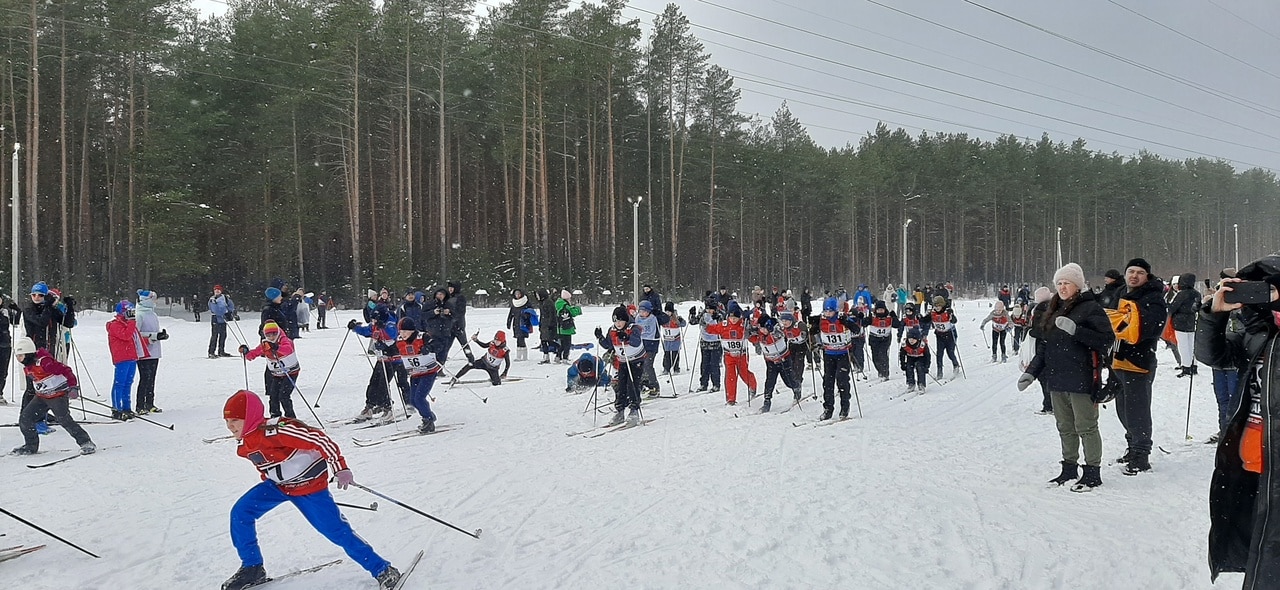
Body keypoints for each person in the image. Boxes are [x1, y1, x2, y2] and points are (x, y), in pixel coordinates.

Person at [218, 390, 401, 590]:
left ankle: (382, 569)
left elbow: (320, 440)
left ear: (250, 416)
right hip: (279, 487)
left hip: (309, 489)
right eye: (227, 421)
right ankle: (252, 568)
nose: (230, 426)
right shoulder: (245, 442)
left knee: (336, 531)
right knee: (241, 512)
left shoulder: (278, 431)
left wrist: (341, 468)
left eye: (235, 419)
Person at [1204, 255, 1280, 586]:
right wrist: (1214, 316)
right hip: (1254, 463)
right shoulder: (1257, 335)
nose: (1259, 295)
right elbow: (1212, 355)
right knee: (1261, 550)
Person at [1017, 263, 1113, 492]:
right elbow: (1044, 347)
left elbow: (1106, 340)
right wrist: (1032, 372)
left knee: (1086, 426)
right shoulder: (1053, 308)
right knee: (1064, 426)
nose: (1062, 287)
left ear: (1077, 286)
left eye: (1066, 283)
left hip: (1082, 376)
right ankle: (1069, 467)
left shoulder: (1091, 308)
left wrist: (1077, 331)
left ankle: (1092, 472)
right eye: (1059, 283)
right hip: (1056, 378)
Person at [1108, 258, 1168, 475]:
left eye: (1140, 272)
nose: (1134, 275)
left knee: (1138, 410)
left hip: (1139, 361)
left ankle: (1142, 454)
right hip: (1118, 359)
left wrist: (1126, 320)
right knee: (1123, 409)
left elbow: (1152, 327)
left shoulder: (1153, 298)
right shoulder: (1120, 293)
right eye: (1131, 271)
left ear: (1147, 276)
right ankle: (1132, 446)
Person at [9, 337, 94, 455]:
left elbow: (66, 370)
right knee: (25, 418)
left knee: (64, 420)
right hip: (41, 397)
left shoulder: (44, 362)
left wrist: (73, 386)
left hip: (57, 396)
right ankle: (31, 446)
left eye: (20, 355)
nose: (18, 359)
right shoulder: (28, 366)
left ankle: (85, 442)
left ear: (28, 354)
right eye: (17, 356)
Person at [1196, 268, 1245, 444]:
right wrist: (1205, 306)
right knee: (1222, 397)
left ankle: (1233, 433)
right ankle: (1224, 430)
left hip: (1234, 354)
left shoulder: (1243, 295)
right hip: (1219, 352)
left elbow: (1244, 323)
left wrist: (1236, 310)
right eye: (1224, 279)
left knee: (1233, 399)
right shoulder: (1218, 292)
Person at [595, 306, 645, 425]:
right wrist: (600, 337)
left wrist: (627, 337)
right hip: (622, 361)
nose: (618, 323)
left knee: (633, 385)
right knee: (621, 386)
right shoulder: (612, 330)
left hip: (636, 360)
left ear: (625, 320)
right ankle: (620, 411)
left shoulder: (633, 328)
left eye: (620, 321)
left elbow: (636, 341)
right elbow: (609, 345)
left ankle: (634, 410)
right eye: (615, 321)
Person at [347, 310, 402, 421]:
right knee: (373, 383)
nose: (372, 321)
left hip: (392, 360)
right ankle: (370, 406)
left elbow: (393, 335)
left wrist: (383, 329)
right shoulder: (374, 326)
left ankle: (387, 408)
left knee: (383, 384)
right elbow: (366, 331)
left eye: (374, 319)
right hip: (381, 359)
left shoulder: (390, 324)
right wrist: (355, 328)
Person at [240, 321, 300, 419]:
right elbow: (253, 354)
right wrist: (246, 352)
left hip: (291, 373)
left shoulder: (284, 340)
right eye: (268, 335)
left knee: (284, 396)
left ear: (278, 332)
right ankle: (275, 416)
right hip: (277, 375)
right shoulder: (265, 344)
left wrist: (276, 347)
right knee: (273, 396)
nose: (272, 337)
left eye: (274, 334)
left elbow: (288, 349)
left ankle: (291, 417)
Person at [814, 297, 860, 420]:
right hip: (829, 354)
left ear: (835, 310)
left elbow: (857, 329)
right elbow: (812, 331)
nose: (827, 313)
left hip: (843, 354)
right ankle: (828, 409)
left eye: (830, 311)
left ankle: (845, 408)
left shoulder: (842, 319)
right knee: (828, 382)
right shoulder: (821, 320)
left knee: (842, 380)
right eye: (825, 311)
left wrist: (847, 322)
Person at [394, 317, 440, 433]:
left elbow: (439, 345)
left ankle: (428, 420)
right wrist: (383, 348)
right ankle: (428, 416)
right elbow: (392, 349)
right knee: (413, 400)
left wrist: (428, 347)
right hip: (415, 373)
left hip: (428, 372)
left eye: (405, 331)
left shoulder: (422, 337)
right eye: (400, 331)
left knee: (419, 398)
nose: (402, 334)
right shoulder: (399, 340)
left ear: (412, 330)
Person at [749, 311, 802, 412]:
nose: (763, 330)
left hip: (784, 359)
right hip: (770, 361)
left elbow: (788, 332)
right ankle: (767, 402)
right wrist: (748, 333)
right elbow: (753, 339)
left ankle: (796, 387)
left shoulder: (777, 330)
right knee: (769, 382)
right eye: (761, 328)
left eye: (765, 328)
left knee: (788, 381)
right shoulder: (760, 333)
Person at [705, 302, 756, 406]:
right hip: (729, 355)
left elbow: (754, 338)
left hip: (741, 355)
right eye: (731, 317)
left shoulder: (743, 325)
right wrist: (704, 324)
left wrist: (750, 333)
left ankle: (752, 385)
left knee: (743, 373)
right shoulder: (724, 325)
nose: (733, 320)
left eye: (735, 318)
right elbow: (712, 329)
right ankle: (731, 399)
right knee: (730, 376)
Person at [106, 300, 145, 421]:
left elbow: (135, 337)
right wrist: (132, 322)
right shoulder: (115, 325)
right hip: (122, 358)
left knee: (128, 383)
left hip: (131, 356)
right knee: (119, 383)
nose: (132, 314)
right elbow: (126, 335)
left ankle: (126, 407)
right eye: (129, 312)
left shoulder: (127, 324)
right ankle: (116, 409)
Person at [134, 290, 169, 415]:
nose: (155, 301)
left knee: (152, 378)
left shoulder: (152, 314)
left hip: (154, 351)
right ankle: (140, 405)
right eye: (153, 299)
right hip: (143, 352)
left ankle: (150, 403)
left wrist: (161, 335)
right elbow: (136, 334)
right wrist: (153, 336)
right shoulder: (139, 314)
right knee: (145, 378)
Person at [1023, 287, 1055, 414]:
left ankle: (1048, 405)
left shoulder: (1040, 310)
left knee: (1043, 376)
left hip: (1041, 345)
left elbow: (1039, 330)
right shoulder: (1053, 307)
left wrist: (1030, 331)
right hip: (1052, 345)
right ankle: (1051, 404)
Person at [1168, 273, 1201, 378]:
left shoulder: (1182, 294)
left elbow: (1173, 307)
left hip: (1180, 321)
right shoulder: (1197, 293)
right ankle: (1193, 365)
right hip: (1192, 320)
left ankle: (1186, 367)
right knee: (1191, 345)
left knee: (1183, 345)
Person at [634, 300, 663, 396]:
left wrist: (658, 312)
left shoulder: (654, 318)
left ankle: (654, 386)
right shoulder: (637, 318)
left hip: (651, 345)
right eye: (640, 311)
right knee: (639, 365)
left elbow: (665, 319)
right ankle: (643, 384)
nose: (642, 313)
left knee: (647, 365)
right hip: (641, 345)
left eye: (644, 311)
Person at [865, 300, 898, 381]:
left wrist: (894, 317)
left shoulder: (889, 316)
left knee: (883, 355)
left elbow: (897, 325)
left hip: (885, 339)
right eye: (878, 310)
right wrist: (864, 317)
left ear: (884, 309)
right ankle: (880, 370)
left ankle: (885, 373)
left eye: (882, 310)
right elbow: (864, 323)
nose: (880, 311)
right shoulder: (872, 316)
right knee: (875, 357)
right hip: (874, 339)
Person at [928, 296, 961, 378]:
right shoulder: (932, 313)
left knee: (950, 352)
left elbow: (954, 321)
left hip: (950, 334)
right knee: (939, 354)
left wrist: (951, 316)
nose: (937, 308)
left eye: (938, 306)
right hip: (940, 335)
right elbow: (925, 320)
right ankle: (939, 371)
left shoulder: (947, 311)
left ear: (942, 305)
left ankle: (956, 365)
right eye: (935, 306)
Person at [695, 301, 723, 394]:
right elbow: (693, 321)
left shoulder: (719, 316)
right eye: (707, 309)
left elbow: (722, 327)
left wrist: (718, 320)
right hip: (704, 342)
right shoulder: (703, 315)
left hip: (715, 343)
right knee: (704, 364)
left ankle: (716, 384)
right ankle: (703, 383)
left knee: (714, 364)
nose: (709, 311)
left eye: (711, 309)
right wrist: (691, 314)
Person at [506, 289, 536, 362]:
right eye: (516, 294)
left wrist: (526, 315)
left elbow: (531, 312)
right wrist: (508, 322)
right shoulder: (514, 303)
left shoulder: (526, 302)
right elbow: (511, 313)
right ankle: (519, 356)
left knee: (521, 338)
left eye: (519, 294)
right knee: (518, 339)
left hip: (524, 323)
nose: (517, 295)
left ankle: (524, 356)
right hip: (516, 323)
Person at [899, 327, 930, 393]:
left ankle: (921, 384)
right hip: (910, 358)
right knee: (909, 367)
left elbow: (927, 356)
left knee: (920, 367)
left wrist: (927, 366)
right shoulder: (905, 344)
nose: (911, 340)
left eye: (913, 339)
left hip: (920, 358)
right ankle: (911, 383)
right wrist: (902, 364)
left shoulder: (922, 344)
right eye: (910, 338)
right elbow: (902, 355)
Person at [0, 294, 19, 405]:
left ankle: (0, 393)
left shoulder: (5, 311)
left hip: (5, 344)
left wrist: (16, 310)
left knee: (3, 371)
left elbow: (16, 321)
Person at [554, 289, 582, 363]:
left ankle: (558, 356)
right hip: (567, 328)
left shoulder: (558, 305)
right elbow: (573, 313)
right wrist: (578, 308)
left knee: (562, 344)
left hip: (560, 328)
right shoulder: (566, 306)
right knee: (567, 344)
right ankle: (565, 358)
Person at [659, 301, 686, 376]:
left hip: (675, 339)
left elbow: (683, 324)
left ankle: (676, 368)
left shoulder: (675, 318)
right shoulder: (663, 318)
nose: (668, 313)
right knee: (666, 354)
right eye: (666, 311)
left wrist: (681, 320)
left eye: (669, 311)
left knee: (675, 354)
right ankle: (666, 368)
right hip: (667, 339)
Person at [209, 285, 235, 359]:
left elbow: (231, 306)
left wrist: (229, 312)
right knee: (215, 335)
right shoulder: (212, 299)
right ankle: (211, 352)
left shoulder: (225, 298)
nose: (217, 291)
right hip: (216, 318)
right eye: (216, 290)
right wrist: (223, 312)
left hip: (223, 319)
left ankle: (221, 351)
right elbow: (214, 309)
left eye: (218, 290)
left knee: (223, 335)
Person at [445, 281, 470, 359]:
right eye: (449, 288)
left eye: (452, 288)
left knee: (464, 344)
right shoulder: (447, 297)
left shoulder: (460, 297)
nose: (450, 289)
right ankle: (442, 360)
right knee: (446, 345)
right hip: (449, 327)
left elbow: (461, 312)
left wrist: (451, 314)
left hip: (459, 326)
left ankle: (470, 358)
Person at [536, 289, 559, 364]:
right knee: (543, 341)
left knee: (549, 341)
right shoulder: (541, 303)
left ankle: (559, 351)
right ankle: (546, 356)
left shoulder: (548, 302)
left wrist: (550, 324)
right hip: (543, 324)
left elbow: (552, 314)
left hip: (549, 325)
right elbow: (542, 315)